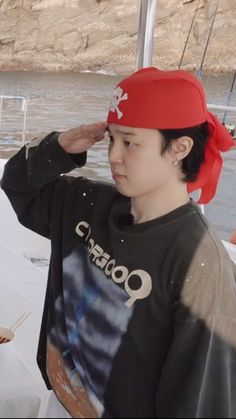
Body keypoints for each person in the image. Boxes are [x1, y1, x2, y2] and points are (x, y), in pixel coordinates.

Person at [1, 66, 236, 418]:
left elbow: (198, 399)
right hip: (62, 400)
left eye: (131, 142)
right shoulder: (85, 203)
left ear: (180, 148)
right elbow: (18, 184)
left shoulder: (199, 264)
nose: (113, 155)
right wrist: (60, 147)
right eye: (112, 139)